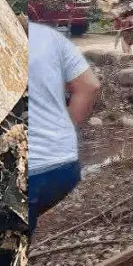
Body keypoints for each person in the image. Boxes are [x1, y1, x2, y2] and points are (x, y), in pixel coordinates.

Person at [27, 21, 101, 233]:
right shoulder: (49, 36)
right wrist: (61, 131)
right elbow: (90, 85)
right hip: (64, 165)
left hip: (31, 171)